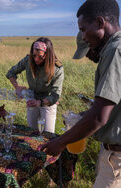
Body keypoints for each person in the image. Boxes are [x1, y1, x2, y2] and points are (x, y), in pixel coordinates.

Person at [42, 0, 121, 187]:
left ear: (101, 23)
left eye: (84, 29)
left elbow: (99, 117)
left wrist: (60, 142)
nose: (83, 37)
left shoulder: (115, 50)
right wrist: (83, 116)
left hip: (116, 158)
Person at [6, 37, 64, 133]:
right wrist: (17, 87)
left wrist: (41, 102)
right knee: (32, 132)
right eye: (34, 55)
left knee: (47, 135)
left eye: (40, 57)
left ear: (48, 55)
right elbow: (11, 73)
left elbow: (55, 95)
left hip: (48, 102)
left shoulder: (57, 68)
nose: (36, 59)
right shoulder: (28, 60)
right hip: (32, 98)